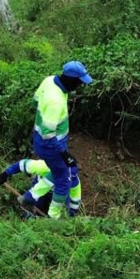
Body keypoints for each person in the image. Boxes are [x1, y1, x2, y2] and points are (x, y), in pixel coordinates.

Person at [31, 61, 92, 218]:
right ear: (70, 80)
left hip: (42, 140)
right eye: (78, 82)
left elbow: (36, 100)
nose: (79, 86)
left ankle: (32, 203)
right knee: (64, 180)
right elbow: (48, 134)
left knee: (51, 171)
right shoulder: (55, 102)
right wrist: (65, 154)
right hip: (50, 144)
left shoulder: (49, 80)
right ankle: (53, 218)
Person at [0, 155, 83, 218]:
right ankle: (29, 217)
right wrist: (5, 174)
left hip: (58, 195)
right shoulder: (44, 167)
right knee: (33, 206)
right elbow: (21, 165)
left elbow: (75, 201)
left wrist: (70, 216)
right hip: (40, 191)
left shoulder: (74, 181)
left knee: (63, 210)